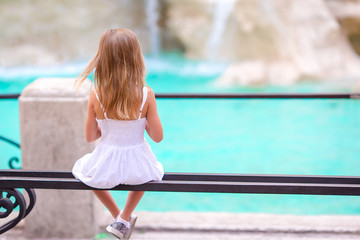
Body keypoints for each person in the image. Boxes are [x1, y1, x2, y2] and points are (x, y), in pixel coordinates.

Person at [72, 28, 164, 240]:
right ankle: (124, 216)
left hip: (106, 161)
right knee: (148, 172)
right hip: (138, 162)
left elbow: (91, 137)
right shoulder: (146, 94)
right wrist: (143, 121)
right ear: (136, 58)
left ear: (103, 59)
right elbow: (157, 137)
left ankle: (118, 217)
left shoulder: (96, 94)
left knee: (85, 173)